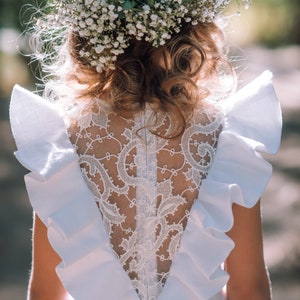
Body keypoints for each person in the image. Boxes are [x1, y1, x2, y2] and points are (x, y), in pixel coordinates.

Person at [10, 1, 282, 299]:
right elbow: (248, 289)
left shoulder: (62, 145)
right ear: (191, 25)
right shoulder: (227, 138)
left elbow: (45, 293)